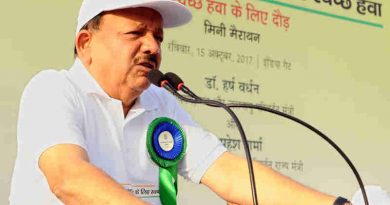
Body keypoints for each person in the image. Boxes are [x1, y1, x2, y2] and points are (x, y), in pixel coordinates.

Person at [9, 0, 351, 204]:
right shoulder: (53, 89)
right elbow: (69, 178)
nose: (153, 47)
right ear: (86, 43)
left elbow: (227, 172)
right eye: (136, 33)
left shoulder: (160, 102)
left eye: (157, 36)